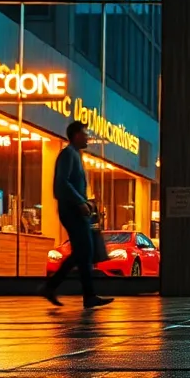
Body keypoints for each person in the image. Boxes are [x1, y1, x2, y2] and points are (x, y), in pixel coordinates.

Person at [40, 121, 113, 309]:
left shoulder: (75, 155)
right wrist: (80, 201)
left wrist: (85, 201)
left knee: (82, 253)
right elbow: (61, 184)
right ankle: (82, 295)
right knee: (85, 250)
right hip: (71, 211)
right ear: (76, 135)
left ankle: (57, 288)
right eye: (85, 133)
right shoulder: (68, 155)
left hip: (75, 209)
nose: (88, 137)